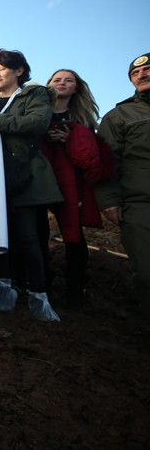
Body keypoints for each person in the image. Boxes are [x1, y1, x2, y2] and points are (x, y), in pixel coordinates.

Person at [0, 49, 62, 321]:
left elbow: (38, 122)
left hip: (25, 178)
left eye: (1, 68)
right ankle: (3, 286)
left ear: (19, 71)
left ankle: (38, 294)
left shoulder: (34, 94)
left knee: (28, 236)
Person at [40, 69, 112, 308]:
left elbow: (91, 156)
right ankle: (41, 285)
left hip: (71, 182)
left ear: (76, 88)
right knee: (38, 232)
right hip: (41, 178)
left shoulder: (83, 119)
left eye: (68, 80)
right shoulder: (38, 111)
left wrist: (68, 140)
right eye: (57, 80)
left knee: (73, 234)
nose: (62, 83)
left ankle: (76, 290)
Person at [94, 52, 150, 318]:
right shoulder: (119, 116)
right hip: (141, 206)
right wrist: (108, 201)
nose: (142, 75)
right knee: (147, 273)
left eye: (147, 69)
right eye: (135, 73)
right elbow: (105, 162)